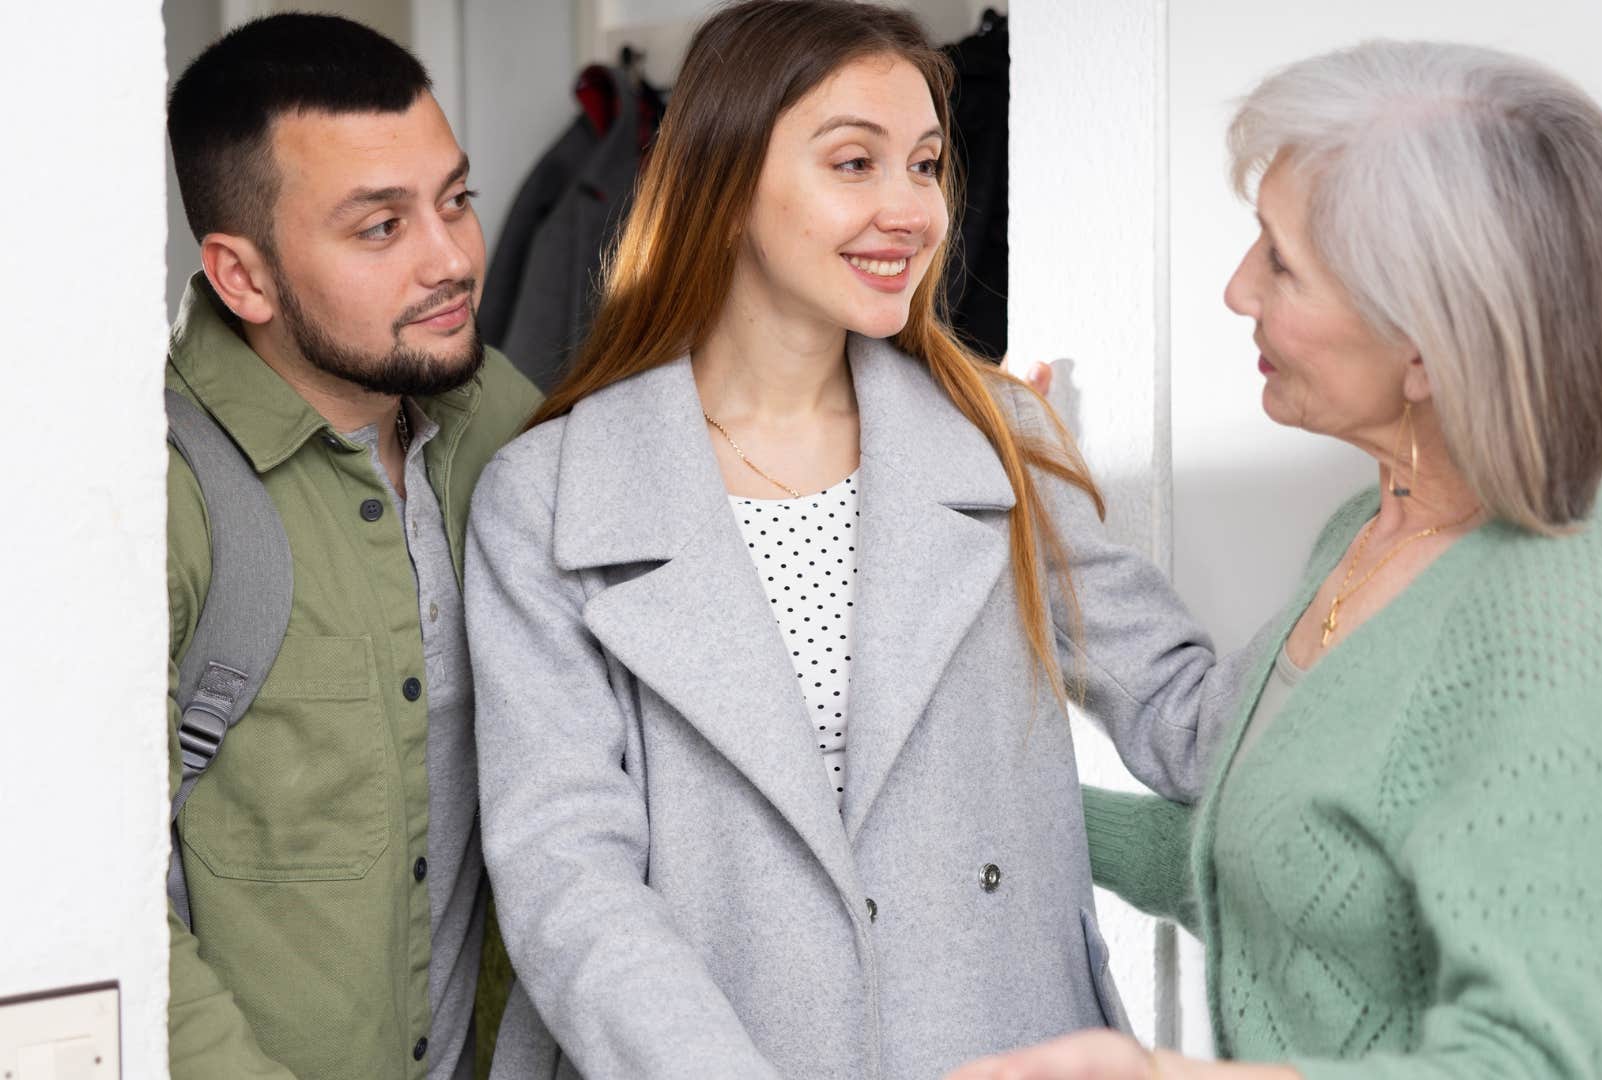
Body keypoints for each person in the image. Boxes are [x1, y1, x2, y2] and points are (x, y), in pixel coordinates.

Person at [462, 2, 1247, 1077]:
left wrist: (1404, 542)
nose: (911, 210)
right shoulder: (547, 497)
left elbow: (1189, 718)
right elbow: (567, 876)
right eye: (855, 162)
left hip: (993, 1040)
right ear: (726, 183)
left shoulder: (996, 441)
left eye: (925, 165)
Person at [948, 40, 1602, 1080]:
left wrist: (1165, 1078)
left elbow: (1523, 1065)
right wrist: (983, 823)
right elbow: (1291, 869)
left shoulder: (1563, 635)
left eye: (1280, 261)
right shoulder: (1376, 533)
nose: (1235, 289)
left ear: (1426, 349)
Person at [163, 15, 540, 1079]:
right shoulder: (154, 497)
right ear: (244, 278)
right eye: (381, 228)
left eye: (455, 201)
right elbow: (95, 888)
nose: (451, 258)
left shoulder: (497, 416)